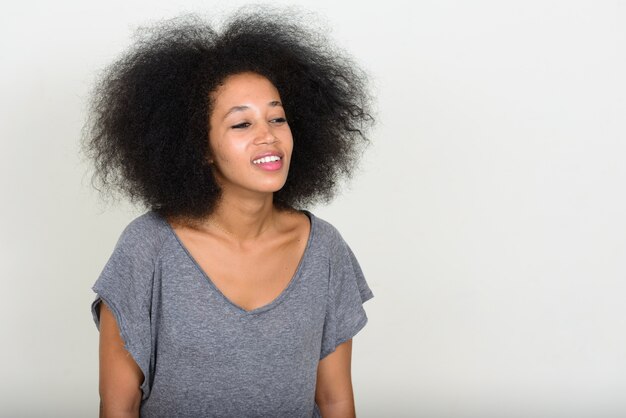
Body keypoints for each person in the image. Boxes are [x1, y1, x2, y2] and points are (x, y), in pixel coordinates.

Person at [82, 7, 375, 418]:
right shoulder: (148, 246)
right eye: (241, 125)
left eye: (277, 117)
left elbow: (334, 399)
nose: (268, 136)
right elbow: (118, 405)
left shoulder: (323, 247)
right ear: (198, 146)